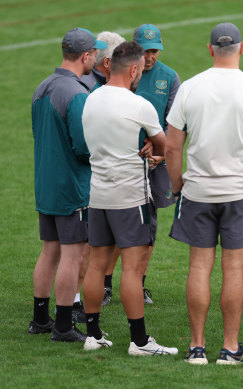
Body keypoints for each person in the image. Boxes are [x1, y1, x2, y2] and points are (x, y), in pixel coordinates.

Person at [166, 22, 243, 365]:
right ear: (241, 48)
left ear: (210, 48)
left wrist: (177, 187)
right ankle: (230, 348)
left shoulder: (190, 88)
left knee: (199, 267)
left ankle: (197, 347)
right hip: (241, 193)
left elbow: (172, 147)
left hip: (198, 192)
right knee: (234, 270)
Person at [81, 41, 178, 356]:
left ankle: (93, 335)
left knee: (97, 266)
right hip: (130, 198)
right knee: (133, 271)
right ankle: (139, 342)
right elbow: (166, 147)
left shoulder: (91, 100)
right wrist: (153, 142)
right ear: (135, 69)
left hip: (98, 196)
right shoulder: (139, 105)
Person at [28, 28, 106, 342]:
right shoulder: (76, 94)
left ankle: (39, 319)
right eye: (95, 55)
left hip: (45, 184)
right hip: (72, 188)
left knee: (49, 251)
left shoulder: (42, 86)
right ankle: (62, 325)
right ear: (86, 56)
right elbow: (83, 146)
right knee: (72, 255)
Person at [102, 24, 181, 307]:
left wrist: (159, 147)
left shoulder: (169, 78)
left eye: (155, 51)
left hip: (155, 163)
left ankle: (140, 283)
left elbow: (175, 122)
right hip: (122, 160)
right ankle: (107, 284)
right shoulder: (121, 74)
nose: (150, 57)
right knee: (113, 225)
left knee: (148, 226)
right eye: (145, 51)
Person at [70, 31, 125, 323]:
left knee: (98, 244)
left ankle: (84, 297)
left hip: (100, 178)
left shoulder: (92, 84)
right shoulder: (92, 91)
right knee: (88, 245)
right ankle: (75, 301)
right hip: (96, 179)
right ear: (107, 62)